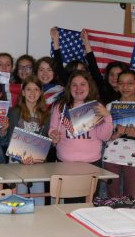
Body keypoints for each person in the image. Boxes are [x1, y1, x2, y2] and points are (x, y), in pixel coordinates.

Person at [48, 70, 113, 203]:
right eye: (74, 85)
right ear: (69, 87)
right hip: (66, 164)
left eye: (83, 84)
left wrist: (108, 117)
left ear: (89, 86)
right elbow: (53, 128)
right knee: (69, 205)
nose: (78, 88)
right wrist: (53, 135)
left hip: (92, 164)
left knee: (89, 204)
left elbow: (105, 136)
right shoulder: (60, 106)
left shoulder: (98, 107)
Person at [104, 70, 135, 197]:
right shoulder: (109, 107)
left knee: (130, 198)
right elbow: (102, 137)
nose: (125, 87)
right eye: (121, 83)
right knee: (112, 197)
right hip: (111, 158)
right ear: (117, 85)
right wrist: (115, 134)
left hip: (134, 159)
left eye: (130, 83)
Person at [8, 76, 50, 205]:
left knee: (38, 199)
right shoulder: (14, 112)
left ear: (41, 92)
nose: (32, 93)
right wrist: (22, 159)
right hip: (17, 161)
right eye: (29, 89)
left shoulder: (46, 114)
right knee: (19, 200)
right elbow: (10, 138)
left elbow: (46, 139)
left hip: (37, 162)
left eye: (36, 89)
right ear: (23, 92)